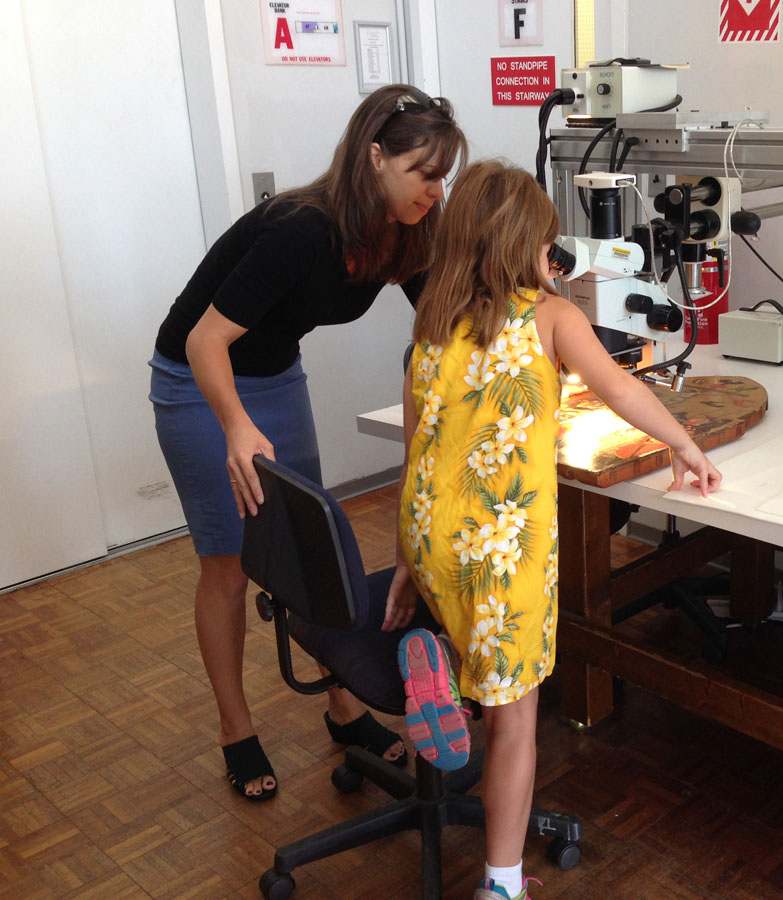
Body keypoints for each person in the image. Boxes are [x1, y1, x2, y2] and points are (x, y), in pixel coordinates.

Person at [382, 159, 722, 900]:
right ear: (526, 246)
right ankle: (502, 883)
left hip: (431, 530)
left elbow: (416, 444)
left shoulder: (432, 320)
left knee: (463, 613)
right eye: (548, 244)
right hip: (501, 551)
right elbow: (623, 386)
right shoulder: (552, 317)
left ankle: (443, 657)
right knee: (518, 718)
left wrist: (406, 559)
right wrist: (685, 444)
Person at [149, 85, 467, 801]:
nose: (435, 189)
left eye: (443, 175)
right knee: (231, 567)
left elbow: (444, 322)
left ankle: (343, 707)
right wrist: (234, 424)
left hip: (275, 374)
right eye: (424, 172)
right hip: (203, 381)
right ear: (375, 156)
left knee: (304, 553)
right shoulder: (300, 228)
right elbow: (205, 338)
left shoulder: (412, 225)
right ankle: (236, 728)